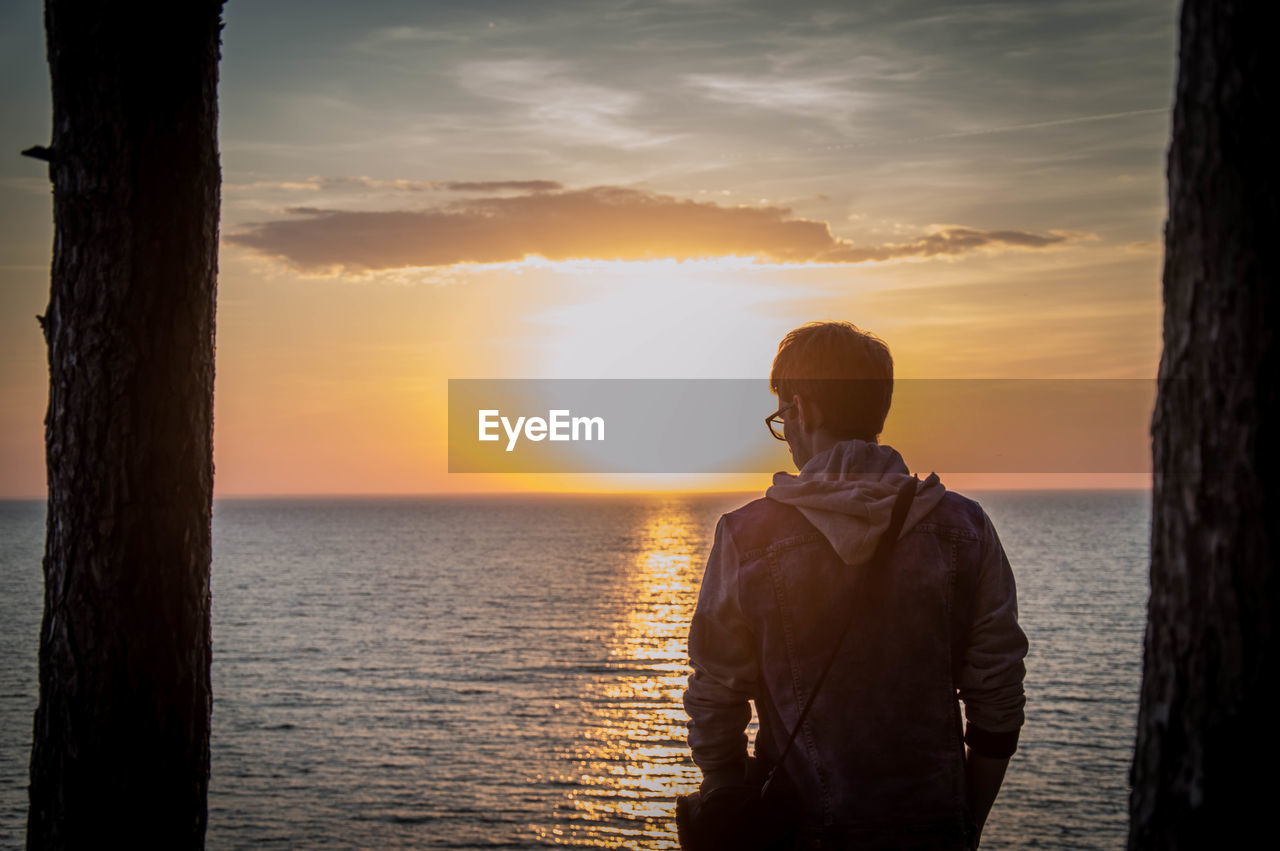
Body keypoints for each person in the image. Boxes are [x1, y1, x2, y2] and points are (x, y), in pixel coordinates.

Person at [681, 321, 1028, 849]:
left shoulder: (748, 536)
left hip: (795, 832)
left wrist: (729, 802)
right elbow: (997, 701)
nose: (787, 436)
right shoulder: (966, 529)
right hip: (935, 831)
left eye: (783, 417)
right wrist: (967, 825)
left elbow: (715, 699)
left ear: (807, 409)